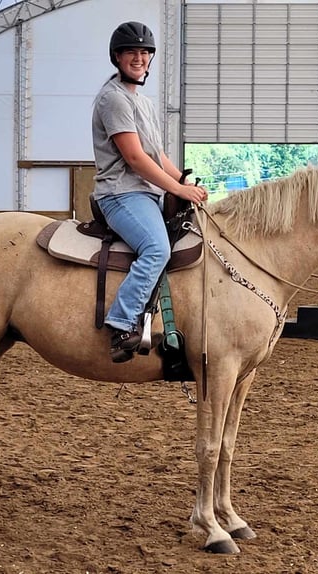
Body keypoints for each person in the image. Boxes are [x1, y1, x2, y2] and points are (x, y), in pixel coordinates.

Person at [91, 21, 208, 363]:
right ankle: (121, 323)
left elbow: (158, 156)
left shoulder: (142, 101)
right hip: (121, 194)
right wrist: (176, 188)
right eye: (132, 52)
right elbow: (135, 158)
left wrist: (186, 183)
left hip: (146, 193)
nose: (139, 58)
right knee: (156, 248)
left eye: (144, 52)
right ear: (117, 57)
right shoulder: (113, 99)